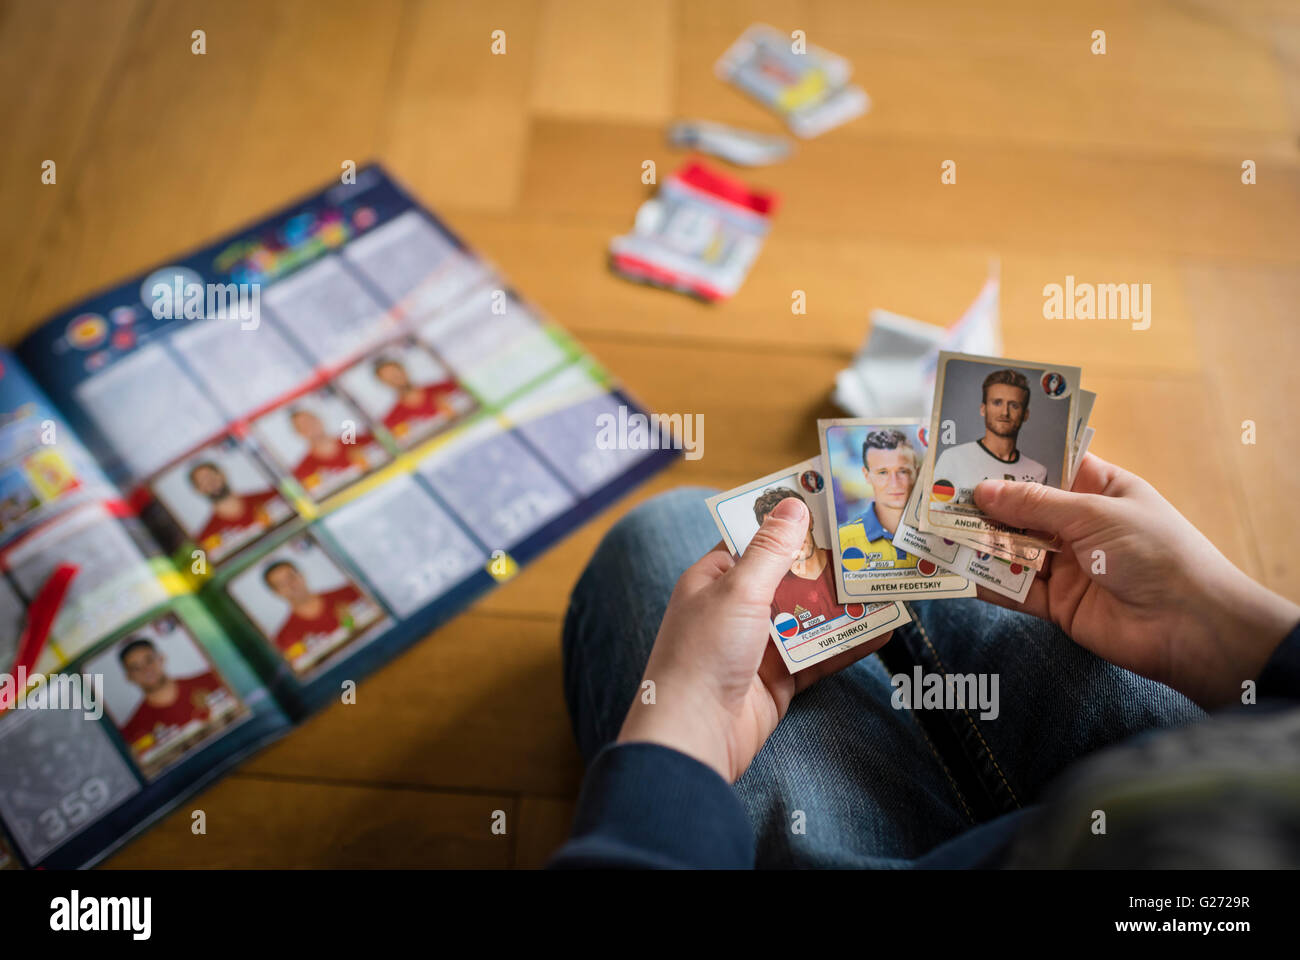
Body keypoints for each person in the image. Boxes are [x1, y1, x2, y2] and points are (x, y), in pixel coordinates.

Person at [550, 453, 1300, 868]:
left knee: (668, 531)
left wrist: (686, 726)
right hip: (1223, 773)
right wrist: (1225, 629)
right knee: (948, 557)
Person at [932, 369, 1047, 504]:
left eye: (1014, 405)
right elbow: (934, 514)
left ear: (1025, 414)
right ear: (983, 409)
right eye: (997, 403)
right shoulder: (952, 458)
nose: (1005, 412)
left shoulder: (1038, 472)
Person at [752, 486, 839, 638]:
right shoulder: (769, 595)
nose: (792, 537)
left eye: (794, 524)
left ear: (810, 520)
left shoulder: (847, 562)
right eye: (778, 531)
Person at [118, 637, 224, 747]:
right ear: (129, 677)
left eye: (149, 660)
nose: (146, 670)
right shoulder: (132, 731)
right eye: (135, 667)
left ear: (162, 658)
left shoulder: (214, 680)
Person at [836, 428, 918, 568]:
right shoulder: (843, 540)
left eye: (902, 471)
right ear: (867, 475)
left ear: (915, 472)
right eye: (883, 472)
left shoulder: (940, 534)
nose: (894, 482)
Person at [262, 560, 365, 654]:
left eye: (291, 577)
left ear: (302, 575)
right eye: (281, 584)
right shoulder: (284, 638)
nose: (290, 585)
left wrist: (354, 621)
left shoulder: (351, 592)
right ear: (277, 593)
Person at [188, 461, 281, 545]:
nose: (210, 482)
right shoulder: (207, 538)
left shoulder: (271, 498)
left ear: (222, 474)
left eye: (210, 475)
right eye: (202, 481)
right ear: (198, 490)